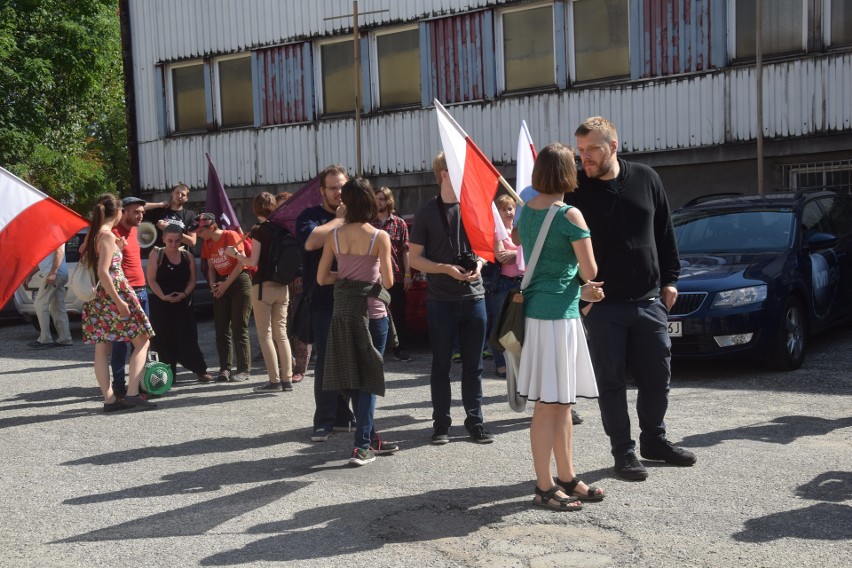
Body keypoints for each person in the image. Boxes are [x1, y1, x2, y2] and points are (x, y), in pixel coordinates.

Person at [566, 116, 697, 481]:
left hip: (649, 300)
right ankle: (623, 451)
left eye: (591, 149)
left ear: (613, 146)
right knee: (611, 381)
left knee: (657, 376)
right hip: (603, 305)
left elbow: (664, 230)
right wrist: (581, 291)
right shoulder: (575, 190)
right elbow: (563, 248)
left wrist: (671, 279)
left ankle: (654, 441)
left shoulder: (646, 178)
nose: (585, 158)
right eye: (580, 151)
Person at [515, 143, 605, 511]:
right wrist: (585, 284)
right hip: (558, 316)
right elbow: (590, 272)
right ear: (568, 173)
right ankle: (544, 485)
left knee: (559, 403)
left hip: (542, 313)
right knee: (550, 405)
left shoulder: (526, 213)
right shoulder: (570, 215)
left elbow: (526, 249)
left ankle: (565, 477)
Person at [409, 152, 493, 445]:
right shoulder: (426, 212)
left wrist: (479, 265)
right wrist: (443, 268)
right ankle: (441, 424)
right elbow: (415, 259)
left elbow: (486, 248)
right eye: (459, 169)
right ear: (444, 173)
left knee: (475, 366)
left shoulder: (474, 206)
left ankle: (476, 422)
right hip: (441, 301)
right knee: (441, 366)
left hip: (475, 297)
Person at [318, 177, 400, 465]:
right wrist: (368, 276)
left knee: (354, 379)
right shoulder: (380, 237)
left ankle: (372, 437)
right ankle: (361, 445)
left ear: (345, 204)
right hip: (372, 314)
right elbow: (388, 281)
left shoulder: (334, 236)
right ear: (369, 203)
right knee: (369, 379)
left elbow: (321, 277)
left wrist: (345, 276)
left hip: (343, 314)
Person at [296, 164, 356, 442]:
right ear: (322, 191)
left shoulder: (355, 216)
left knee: (348, 359)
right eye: (333, 187)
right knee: (326, 361)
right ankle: (324, 421)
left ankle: (344, 416)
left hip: (352, 298)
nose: (339, 192)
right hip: (321, 300)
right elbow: (311, 242)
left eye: (342, 186)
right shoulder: (310, 216)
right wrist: (339, 221)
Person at [80, 194, 156, 411]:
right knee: (143, 341)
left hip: (100, 299)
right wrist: (120, 302)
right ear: (118, 212)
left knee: (102, 348)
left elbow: (100, 265)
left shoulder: (96, 235)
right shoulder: (107, 236)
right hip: (114, 295)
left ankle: (110, 399)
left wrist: (118, 249)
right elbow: (104, 272)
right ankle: (132, 393)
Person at [226, 192, 294, 393]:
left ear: (255, 209)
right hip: (283, 286)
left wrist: (236, 254)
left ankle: (274, 380)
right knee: (281, 334)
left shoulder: (259, 230)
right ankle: (287, 379)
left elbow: (252, 262)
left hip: (263, 286)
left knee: (265, 335)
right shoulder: (283, 228)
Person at [146, 224, 212, 383]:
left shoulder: (187, 256)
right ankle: (166, 375)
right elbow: (151, 280)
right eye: (170, 241)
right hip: (161, 302)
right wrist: (163, 296)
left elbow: (192, 280)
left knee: (187, 336)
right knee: (162, 339)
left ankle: (199, 369)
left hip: (182, 301)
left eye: (177, 241)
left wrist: (184, 294)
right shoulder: (156, 255)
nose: (173, 244)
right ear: (163, 239)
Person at [193, 212, 252, 383]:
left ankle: (243, 369)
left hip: (239, 280)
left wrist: (225, 285)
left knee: (239, 327)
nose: (198, 234)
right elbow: (211, 266)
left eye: (200, 230)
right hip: (221, 282)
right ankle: (225, 368)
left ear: (211, 226)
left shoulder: (230, 235)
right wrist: (212, 284)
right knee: (221, 329)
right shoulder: (208, 242)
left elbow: (242, 263)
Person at [111, 196, 149, 399]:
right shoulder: (111, 233)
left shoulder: (135, 229)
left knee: (143, 342)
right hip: (126, 294)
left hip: (142, 290)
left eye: (142, 212)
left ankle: (139, 384)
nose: (140, 215)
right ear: (123, 211)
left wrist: (162, 205)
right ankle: (119, 387)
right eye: (136, 212)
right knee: (120, 344)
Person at [372, 186, 412, 362]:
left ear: (388, 201)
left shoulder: (399, 223)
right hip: (373, 276)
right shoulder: (367, 223)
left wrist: (408, 274)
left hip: (395, 275)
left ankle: (400, 348)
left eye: (381, 198)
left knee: (398, 313)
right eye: (375, 198)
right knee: (374, 313)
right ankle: (374, 349)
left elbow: (405, 250)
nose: (378, 202)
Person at [489, 195, 523, 378]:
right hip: (504, 284)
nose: (509, 212)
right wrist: (520, 252)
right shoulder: (497, 231)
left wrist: (514, 254)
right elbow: (501, 255)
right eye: (504, 209)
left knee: (521, 324)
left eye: (511, 208)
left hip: (523, 282)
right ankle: (501, 365)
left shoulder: (520, 230)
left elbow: (532, 250)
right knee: (500, 325)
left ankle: (520, 363)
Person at [28, 245, 73, 348]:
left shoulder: (55, 231)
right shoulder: (49, 234)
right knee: (57, 307)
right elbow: (44, 261)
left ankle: (45, 339)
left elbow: (60, 252)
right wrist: (30, 274)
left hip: (54, 274)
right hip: (58, 274)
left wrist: (53, 273)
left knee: (40, 303)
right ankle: (65, 338)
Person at [143, 182, 197, 248]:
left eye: (183, 194)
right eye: (177, 193)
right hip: (160, 254)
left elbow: (192, 242)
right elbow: (138, 207)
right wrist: (159, 204)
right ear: (172, 193)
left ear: (186, 199)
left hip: (179, 254)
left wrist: (169, 228)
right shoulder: (160, 210)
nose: (179, 196)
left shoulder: (189, 215)